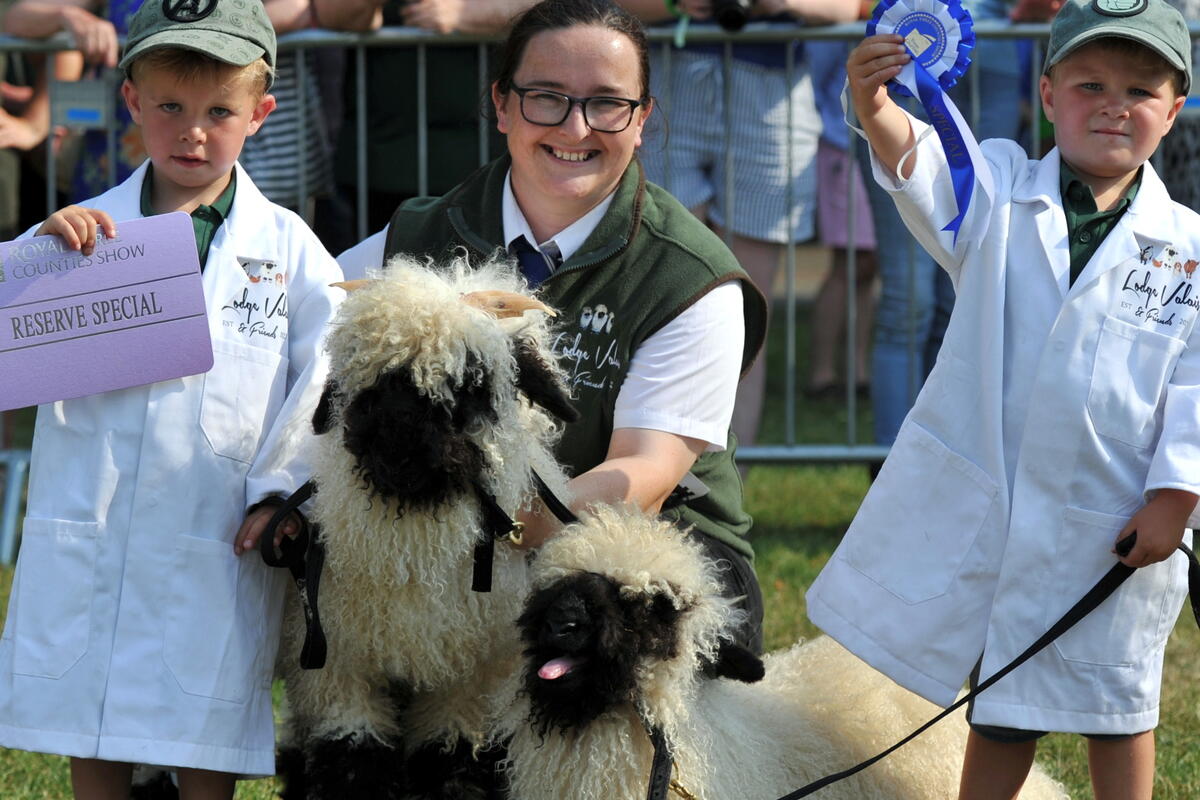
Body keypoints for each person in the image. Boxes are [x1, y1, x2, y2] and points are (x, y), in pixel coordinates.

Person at [807, 1, 1200, 797]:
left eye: (1140, 89)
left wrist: (1176, 495)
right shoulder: (998, 194)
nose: (1113, 105)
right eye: (1089, 84)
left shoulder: (1189, 246)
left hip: (1117, 520)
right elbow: (922, 164)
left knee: (1120, 698)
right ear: (1048, 95)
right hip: (1011, 518)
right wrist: (874, 106)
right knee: (1002, 705)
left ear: (1177, 108)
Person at [338, 0, 769, 652]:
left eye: (607, 103)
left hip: (646, 552)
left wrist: (478, 533)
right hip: (444, 546)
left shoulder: (690, 276)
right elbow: (280, 346)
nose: (576, 126)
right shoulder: (413, 238)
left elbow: (643, 474)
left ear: (643, 117)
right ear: (502, 105)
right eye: (547, 97)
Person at [0, 2, 343, 798]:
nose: (193, 131)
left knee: (206, 711)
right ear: (131, 102)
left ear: (261, 113)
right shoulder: (81, 236)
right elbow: (15, 347)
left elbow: (326, 375)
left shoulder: (285, 247)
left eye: (219, 111)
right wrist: (39, 263)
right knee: (90, 710)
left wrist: (282, 492)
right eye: (170, 108)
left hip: (217, 520)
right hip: (97, 510)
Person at [619, 0, 859, 447]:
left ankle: (729, 493)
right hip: (667, 77)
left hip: (772, 90)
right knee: (660, 297)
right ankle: (653, 481)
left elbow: (854, 7)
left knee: (748, 309)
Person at [807, 38, 876, 400]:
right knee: (850, 261)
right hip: (842, 143)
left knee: (867, 265)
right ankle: (823, 373)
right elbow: (813, 71)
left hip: (875, 144)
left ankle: (858, 371)